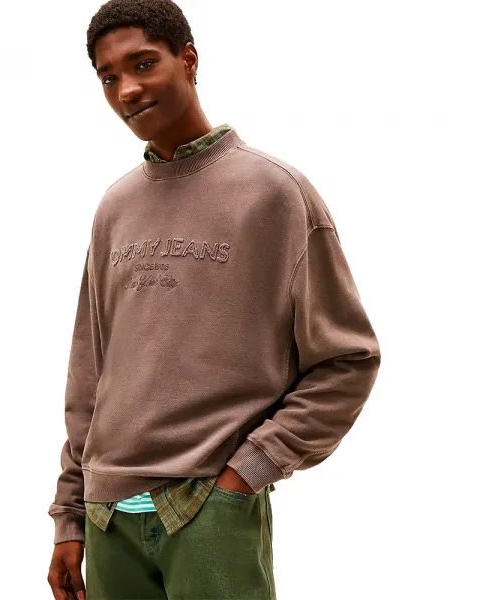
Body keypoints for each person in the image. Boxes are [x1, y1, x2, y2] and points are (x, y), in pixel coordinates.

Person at [47, 1, 382, 598]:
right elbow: (89, 373)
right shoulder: (114, 209)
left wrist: (246, 473)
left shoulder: (274, 193)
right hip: (107, 518)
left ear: (188, 60)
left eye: (142, 64)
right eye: (108, 76)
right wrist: (69, 515)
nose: (127, 90)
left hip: (210, 511)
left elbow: (348, 359)